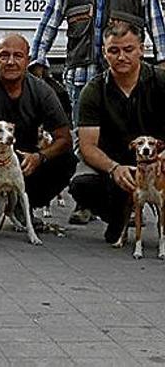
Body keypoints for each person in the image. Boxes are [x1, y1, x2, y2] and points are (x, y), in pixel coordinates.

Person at [29, 0, 165, 225]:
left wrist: (162, 59)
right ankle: (86, 200)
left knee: (124, 136)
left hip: (125, 73)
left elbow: (155, 18)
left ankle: (127, 200)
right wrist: (39, 56)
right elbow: (52, 14)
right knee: (85, 139)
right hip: (81, 70)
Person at [0, 34, 77, 233]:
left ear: (28, 61)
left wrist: (40, 157)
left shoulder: (42, 90)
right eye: (4, 55)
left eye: (18, 56)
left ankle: (24, 206)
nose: (11, 61)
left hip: (22, 157)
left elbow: (64, 138)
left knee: (67, 159)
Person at [69, 21, 165, 243]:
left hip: (159, 162)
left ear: (142, 49)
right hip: (114, 164)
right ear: (104, 53)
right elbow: (87, 145)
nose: (121, 57)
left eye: (128, 49)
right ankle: (118, 217)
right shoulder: (92, 91)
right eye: (114, 50)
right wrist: (114, 168)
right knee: (81, 183)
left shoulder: (161, 82)